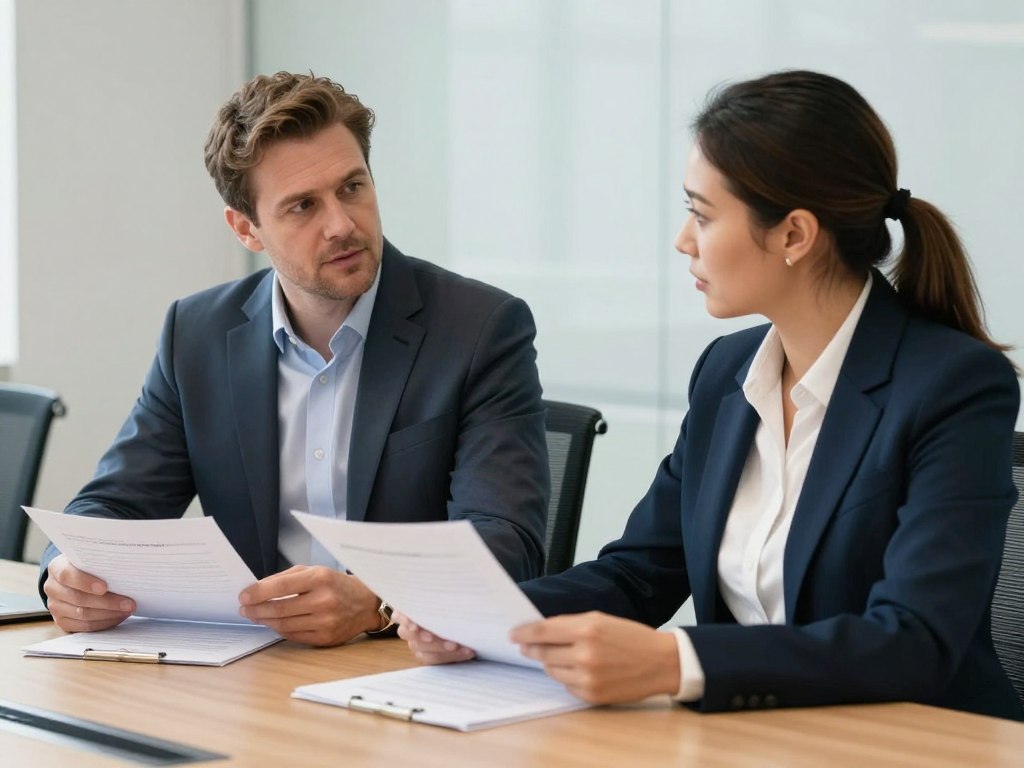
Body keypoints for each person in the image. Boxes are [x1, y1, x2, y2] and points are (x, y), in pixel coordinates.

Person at [399, 69, 1023, 720]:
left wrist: (677, 662)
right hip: (751, 739)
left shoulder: (953, 385)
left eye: (702, 213)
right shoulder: (727, 373)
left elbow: (914, 640)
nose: (683, 240)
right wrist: (485, 621)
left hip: (915, 744)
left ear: (794, 235)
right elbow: (640, 573)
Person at [39, 72, 549, 647]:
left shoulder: (479, 329)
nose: (341, 224)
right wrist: (65, 571)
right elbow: (114, 502)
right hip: (255, 666)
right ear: (247, 229)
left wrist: (377, 601)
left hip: (410, 664)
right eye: (303, 206)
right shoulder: (197, 334)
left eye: (353, 187)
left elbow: (508, 541)